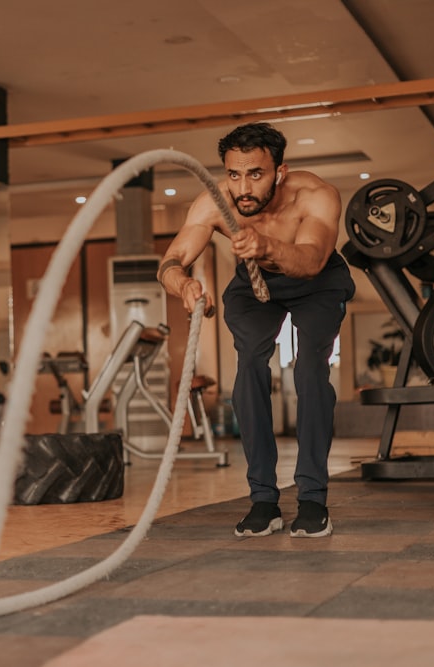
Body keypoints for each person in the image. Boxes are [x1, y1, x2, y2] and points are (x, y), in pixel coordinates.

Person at [157, 122, 355, 538]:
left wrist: (267, 247)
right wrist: (184, 285)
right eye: (233, 174)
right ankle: (264, 499)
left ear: (279, 171)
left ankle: (313, 499)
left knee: (309, 370)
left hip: (315, 283)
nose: (242, 187)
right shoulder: (215, 203)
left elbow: (312, 259)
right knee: (248, 366)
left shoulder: (316, 195)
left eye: (256, 174)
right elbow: (172, 260)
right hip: (254, 283)